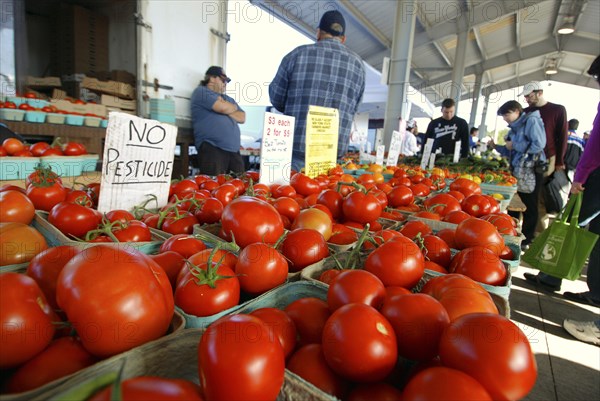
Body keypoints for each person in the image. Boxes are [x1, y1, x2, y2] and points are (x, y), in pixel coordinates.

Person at [525, 55, 600, 300]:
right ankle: (593, 291)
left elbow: (594, 144)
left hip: (593, 175)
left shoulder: (557, 111)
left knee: (571, 223)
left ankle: (551, 276)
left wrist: (577, 173)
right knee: (591, 229)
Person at [269, 10, 365, 171]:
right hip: (331, 156)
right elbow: (355, 107)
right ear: (343, 38)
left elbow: (276, 97)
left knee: (291, 195)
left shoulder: (296, 55)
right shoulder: (358, 65)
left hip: (296, 150)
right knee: (327, 195)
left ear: (319, 32)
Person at [520, 81, 568, 233]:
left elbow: (562, 135)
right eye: (525, 96)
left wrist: (559, 161)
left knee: (539, 196)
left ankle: (537, 235)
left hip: (547, 159)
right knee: (523, 195)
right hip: (525, 160)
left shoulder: (558, 110)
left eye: (529, 96)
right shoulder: (524, 112)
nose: (526, 99)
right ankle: (524, 232)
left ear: (539, 92)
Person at [497, 100, 546, 246]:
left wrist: (515, 145)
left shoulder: (531, 121)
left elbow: (538, 145)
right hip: (518, 170)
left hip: (530, 170)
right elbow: (511, 150)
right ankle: (513, 236)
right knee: (514, 205)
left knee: (529, 204)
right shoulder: (514, 127)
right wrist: (499, 146)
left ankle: (526, 239)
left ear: (517, 111)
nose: (505, 118)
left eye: (506, 114)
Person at [190, 66, 246, 175]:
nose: (225, 83)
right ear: (212, 78)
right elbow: (222, 108)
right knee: (213, 185)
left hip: (233, 150)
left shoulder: (228, 99)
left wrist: (226, 107)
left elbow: (242, 117)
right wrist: (229, 108)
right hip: (213, 147)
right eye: (223, 80)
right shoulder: (201, 92)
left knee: (240, 184)